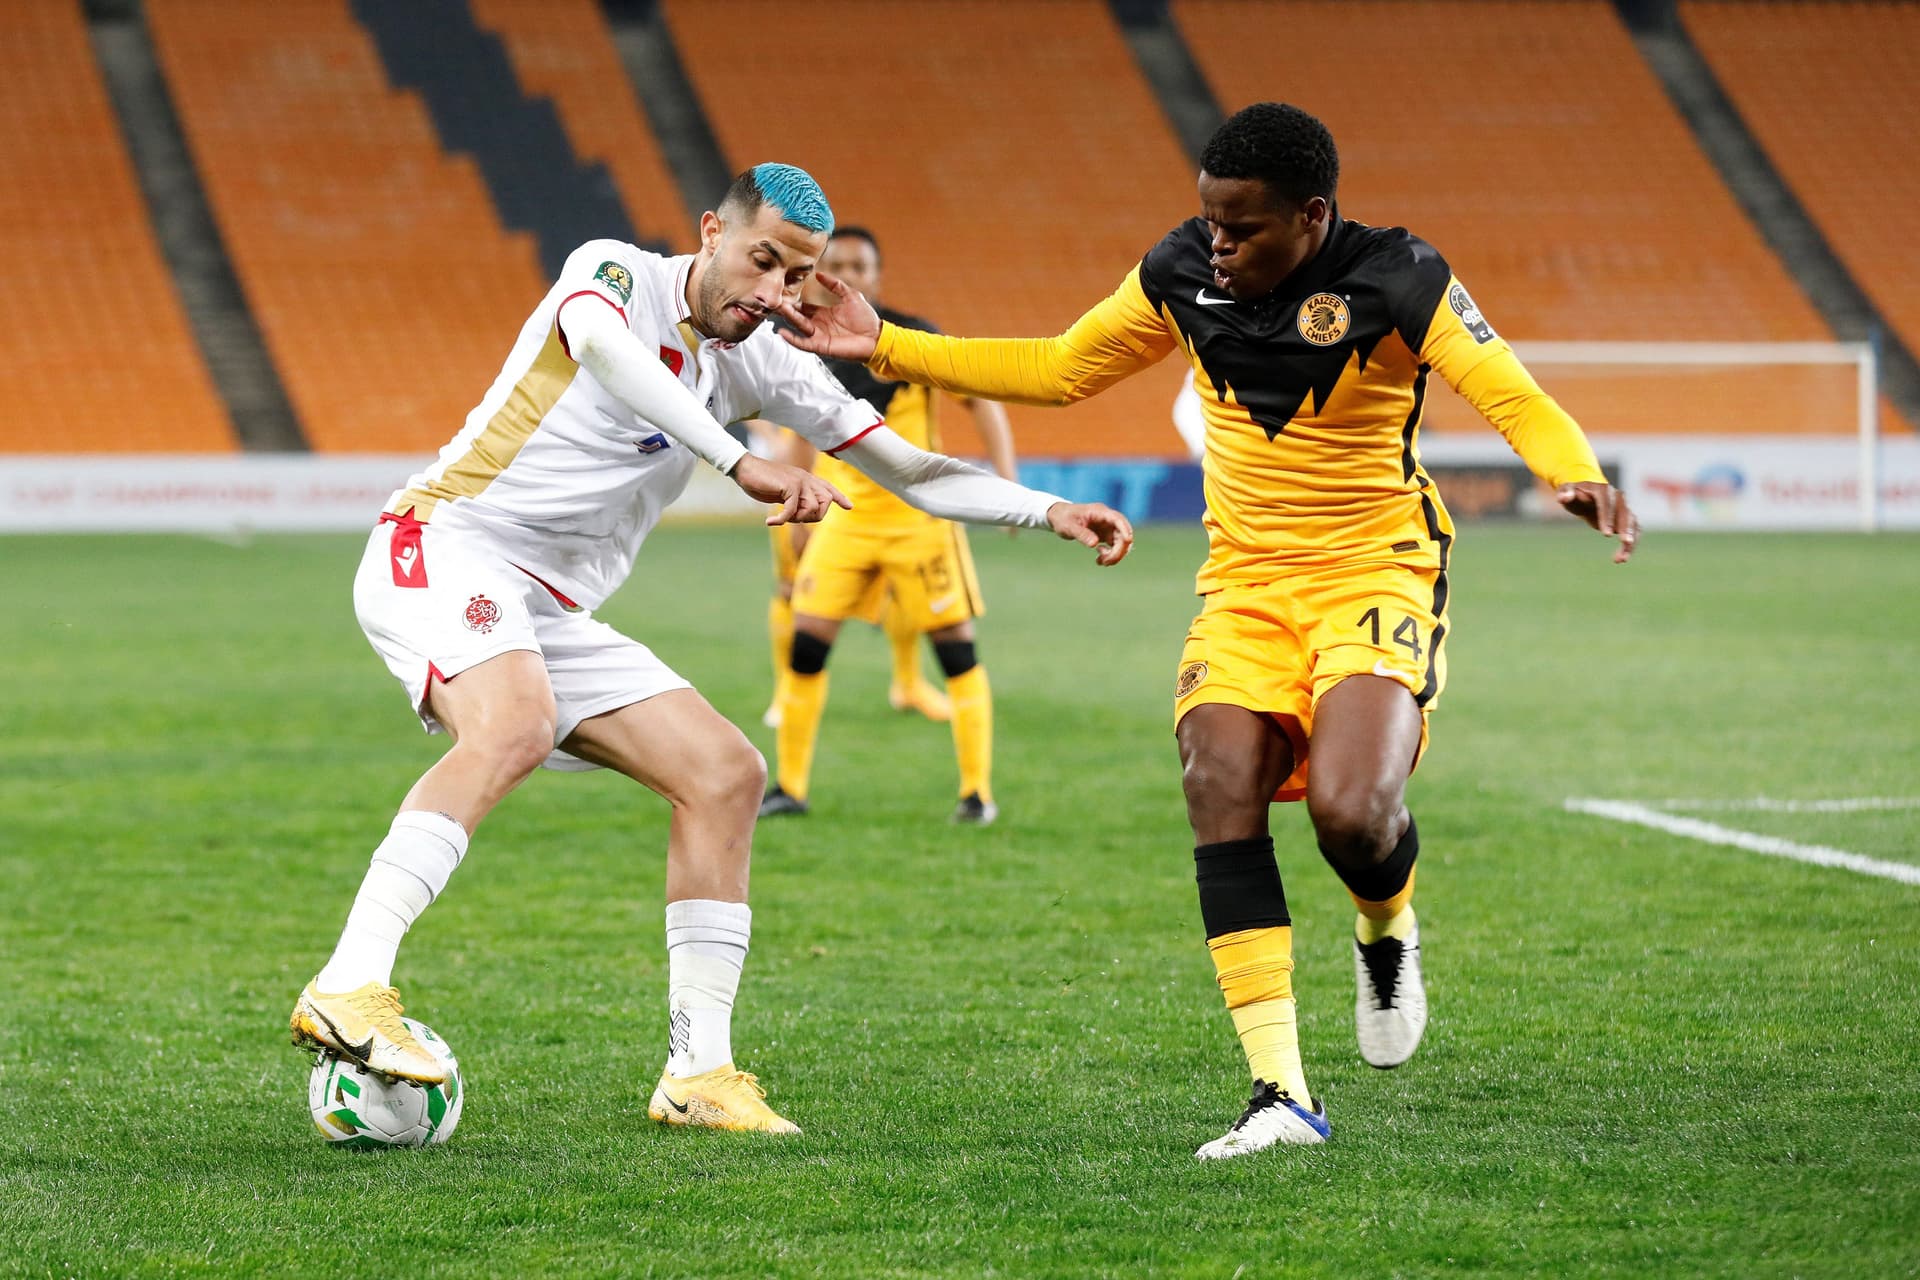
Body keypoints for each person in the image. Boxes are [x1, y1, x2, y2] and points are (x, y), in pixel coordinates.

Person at [777, 105, 1639, 1158]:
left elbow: (1510, 392)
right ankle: (1281, 1094)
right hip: (1245, 583)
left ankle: (1384, 925)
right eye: (1210, 221)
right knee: (1217, 780)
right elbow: (1060, 368)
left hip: (1375, 569)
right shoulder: (1180, 269)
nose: (1217, 243)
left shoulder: (1400, 275)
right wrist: (886, 342)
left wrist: (1572, 471)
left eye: (1242, 227)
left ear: (1312, 215)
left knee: (1352, 813)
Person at [289, 163, 1132, 1136]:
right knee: (514, 722)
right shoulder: (612, 273)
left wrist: (1047, 509)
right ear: (710, 233)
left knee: (726, 773)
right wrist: (739, 459)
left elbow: (911, 468)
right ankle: (349, 981)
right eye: (762, 260)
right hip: (443, 543)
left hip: (549, 610)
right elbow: (606, 351)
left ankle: (698, 1074)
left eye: (796, 276)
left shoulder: (765, 360)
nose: (774, 290)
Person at [759, 226, 1020, 824]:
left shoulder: (912, 337)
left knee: (956, 652)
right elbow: (799, 432)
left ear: (877, 276)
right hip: (845, 522)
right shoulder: (805, 343)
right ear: (820, 272)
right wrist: (795, 506)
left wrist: (1007, 481)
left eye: (861, 265)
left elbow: (982, 400)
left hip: (919, 521)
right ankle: (790, 788)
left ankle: (976, 794)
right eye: (839, 263)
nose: (850, 274)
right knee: (805, 646)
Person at [749, 421, 950, 733]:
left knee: (897, 580)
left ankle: (909, 683)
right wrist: (772, 437)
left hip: (856, 471)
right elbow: (743, 394)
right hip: (799, 466)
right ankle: (785, 693)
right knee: (793, 585)